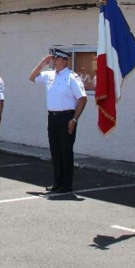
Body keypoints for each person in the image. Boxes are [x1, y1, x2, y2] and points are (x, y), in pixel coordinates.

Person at [29, 48, 87, 193]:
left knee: (65, 151)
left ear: (64, 61)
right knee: (55, 151)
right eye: (53, 59)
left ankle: (66, 184)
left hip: (66, 117)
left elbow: (83, 98)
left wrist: (74, 119)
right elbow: (32, 77)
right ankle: (57, 183)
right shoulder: (49, 75)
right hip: (52, 117)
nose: (53, 62)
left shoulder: (71, 77)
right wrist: (42, 63)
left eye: (56, 59)